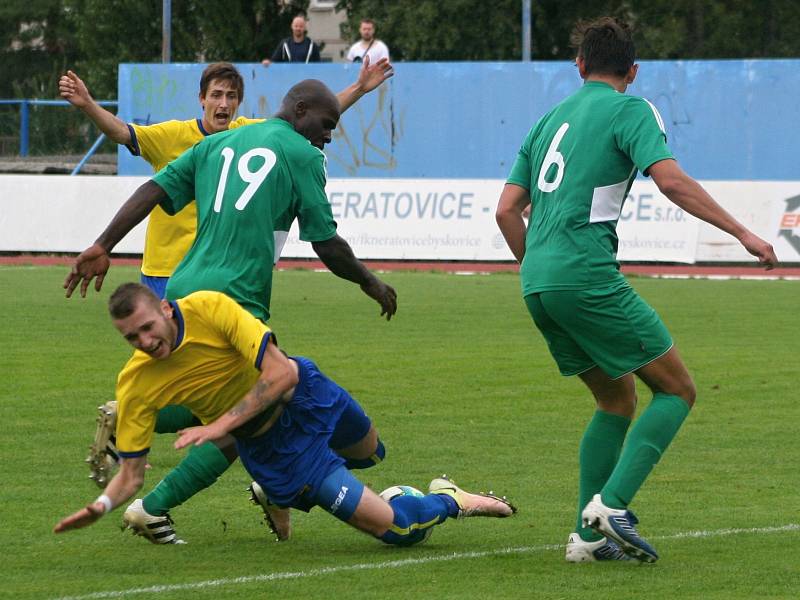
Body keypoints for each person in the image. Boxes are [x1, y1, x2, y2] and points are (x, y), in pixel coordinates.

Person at [64, 79, 399, 544]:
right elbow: (326, 243)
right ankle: (150, 501)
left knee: (242, 408)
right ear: (300, 111)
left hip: (183, 291)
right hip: (234, 297)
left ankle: (141, 422)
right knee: (249, 415)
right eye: (326, 125)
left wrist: (103, 244)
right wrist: (371, 281)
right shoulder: (303, 156)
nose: (328, 136)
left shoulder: (218, 142)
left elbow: (153, 189)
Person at [495, 17, 777, 564]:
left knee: (615, 398)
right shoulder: (631, 109)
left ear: (579, 66)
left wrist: (540, 271)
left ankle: (589, 540)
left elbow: (506, 210)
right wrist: (743, 231)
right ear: (633, 70)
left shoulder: (548, 120)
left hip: (538, 282)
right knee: (677, 391)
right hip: (586, 275)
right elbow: (669, 180)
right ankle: (613, 505)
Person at [53, 284, 516, 547]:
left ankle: (281, 494)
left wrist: (218, 425)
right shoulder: (135, 383)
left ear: (166, 310)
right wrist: (100, 506)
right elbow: (131, 475)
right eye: (131, 338)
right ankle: (453, 499)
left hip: (308, 395)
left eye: (148, 328)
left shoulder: (209, 308)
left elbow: (282, 376)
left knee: (373, 453)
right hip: (279, 448)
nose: (145, 342)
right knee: (396, 529)